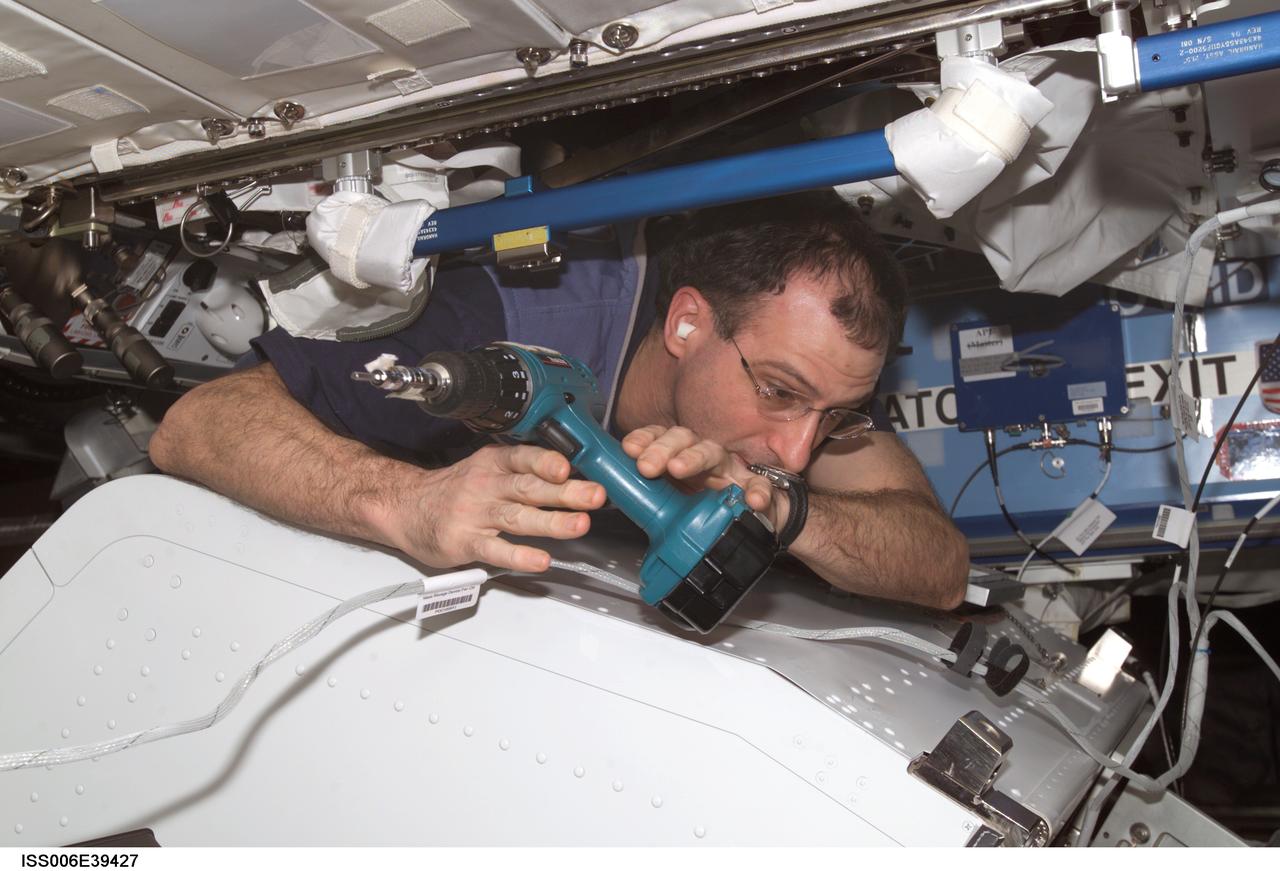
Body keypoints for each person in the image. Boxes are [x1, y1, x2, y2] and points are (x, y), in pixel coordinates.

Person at [150, 190, 968, 609]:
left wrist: (780, 506)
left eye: (833, 416)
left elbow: (939, 568)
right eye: (780, 392)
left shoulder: (805, 407)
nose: (797, 448)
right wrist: (404, 501)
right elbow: (197, 424)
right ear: (687, 324)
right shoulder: (518, 319)